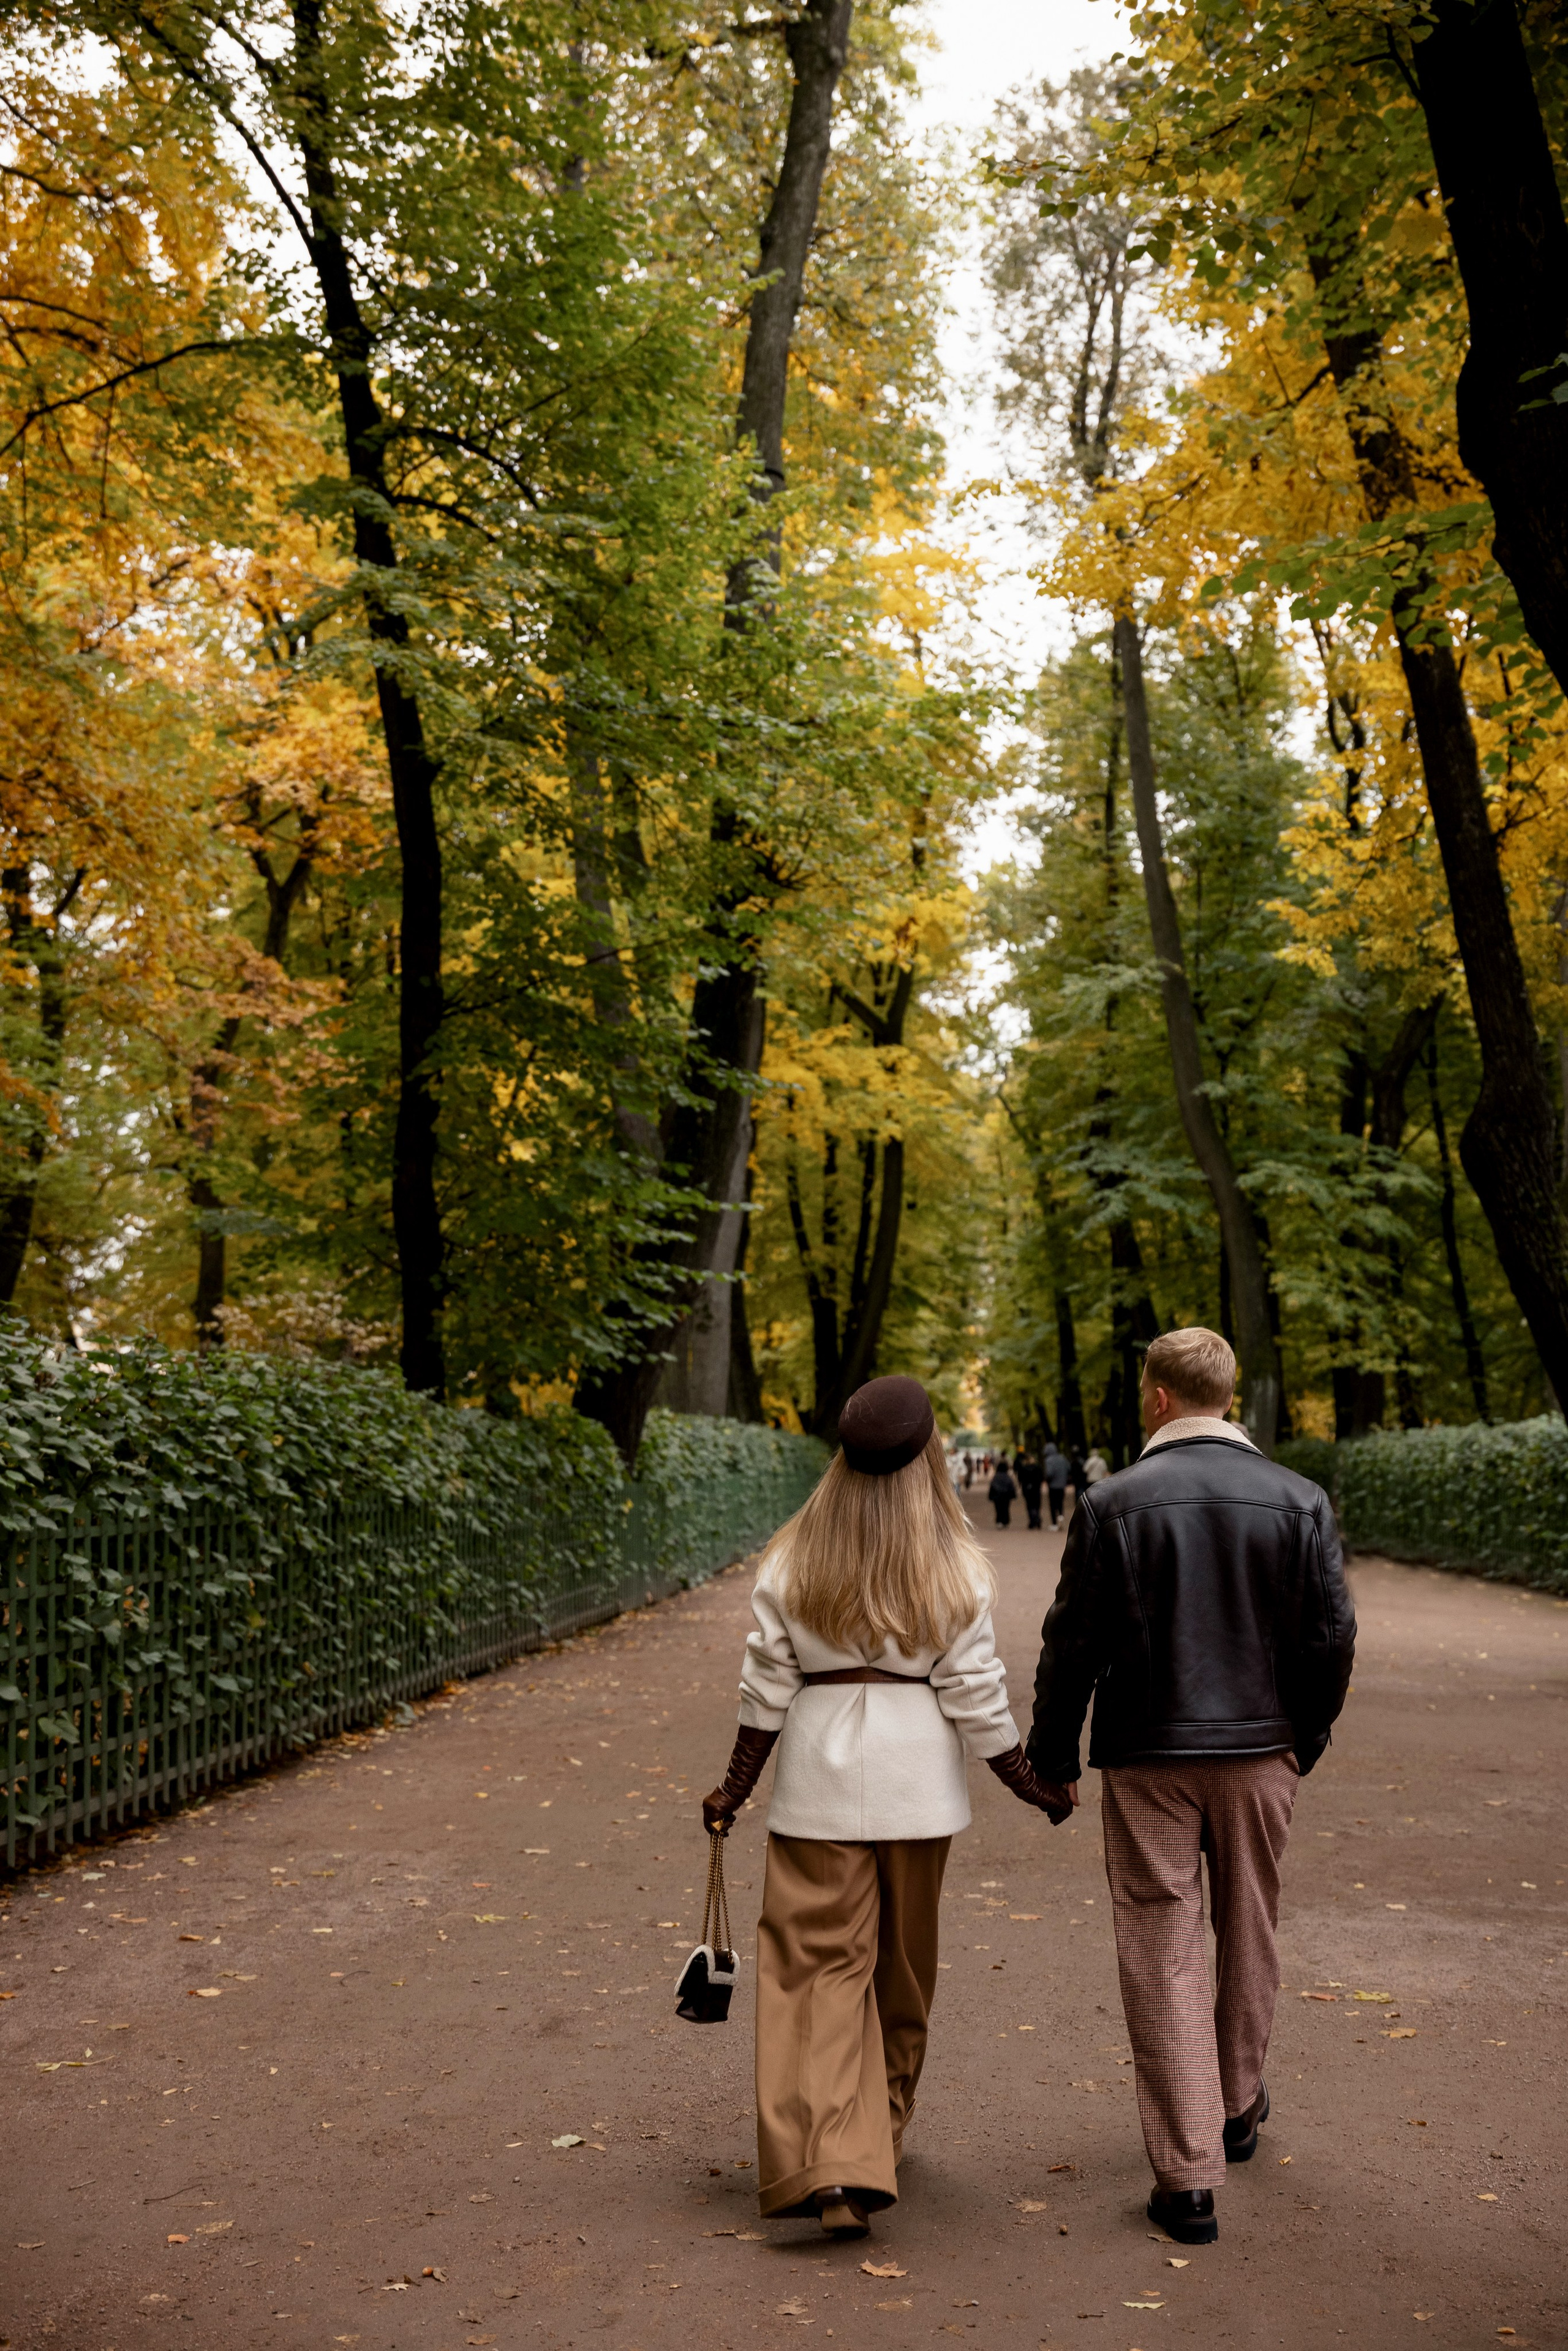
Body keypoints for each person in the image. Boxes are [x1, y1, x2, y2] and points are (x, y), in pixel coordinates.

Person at [701, 1376, 1065, 2240]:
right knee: (903, 1976)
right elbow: (976, 1694)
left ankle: (832, 2160)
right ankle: (878, 2139)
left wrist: (734, 1788)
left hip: (816, 1790)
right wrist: (1031, 1782)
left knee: (815, 1976)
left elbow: (765, 1686)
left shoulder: (792, 1558)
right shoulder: (955, 1565)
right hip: (917, 1792)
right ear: (929, 1458)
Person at [1023, 1327, 1355, 2249]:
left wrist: (1052, 1756)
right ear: (1229, 1391)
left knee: (1161, 1944)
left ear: (1159, 1397)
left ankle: (1186, 2181)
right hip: (1261, 1753)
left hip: (1148, 1754)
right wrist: (1302, 1739)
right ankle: (1239, 2104)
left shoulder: (1111, 1503)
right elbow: (1332, 1638)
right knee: (1251, 1924)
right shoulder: (1300, 1499)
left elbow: (1072, 1643)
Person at [1014, 1448, 1044, 1530]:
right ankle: (1037, 1518)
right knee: (1037, 1505)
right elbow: (1041, 1478)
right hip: (1036, 1489)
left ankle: (1032, 1521)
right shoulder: (1038, 1467)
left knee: (1030, 1505)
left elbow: (1020, 1479)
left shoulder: (1023, 1468)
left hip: (1027, 1489)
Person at [1041, 1440, 1068, 1529]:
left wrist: (1047, 1480)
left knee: (1053, 1504)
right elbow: (1069, 1468)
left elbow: (1049, 1473)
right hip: (1062, 1485)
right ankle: (1061, 1517)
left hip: (1053, 1485)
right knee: (1060, 1502)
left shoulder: (1049, 1460)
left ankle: (1054, 1524)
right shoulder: (1062, 1458)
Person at [987, 1454, 1017, 1528]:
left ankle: (999, 1521)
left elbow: (992, 1487)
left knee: (998, 1509)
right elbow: (1011, 1487)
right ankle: (1005, 1521)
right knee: (1006, 1508)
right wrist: (1013, 1495)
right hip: (1006, 1496)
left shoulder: (996, 1477)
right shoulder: (1008, 1477)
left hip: (997, 1496)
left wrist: (991, 1496)